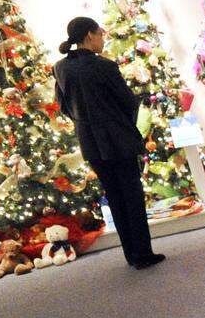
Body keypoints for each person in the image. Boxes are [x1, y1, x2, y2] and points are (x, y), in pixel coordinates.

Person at [53, 17, 164, 269]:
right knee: (132, 197)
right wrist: (122, 124)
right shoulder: (104, 66)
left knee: (115, 197)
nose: (103, 39)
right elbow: (128, 103)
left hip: (90, 143)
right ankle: (143, 254)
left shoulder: (60, 68)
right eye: (101, 34)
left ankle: (131, 255)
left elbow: (63, 106)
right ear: (90, 36)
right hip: (117, 139)